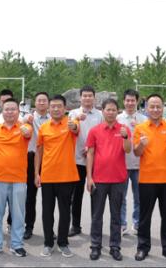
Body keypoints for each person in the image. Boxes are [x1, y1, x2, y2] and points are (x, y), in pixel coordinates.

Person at [133, 94, 166, 262]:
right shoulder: (140, 128)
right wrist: (141, 145)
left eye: (158, 106)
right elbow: (136, 153)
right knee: (144, 216)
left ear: (163, 108)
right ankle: (142, 247)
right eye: (152, 106)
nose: (155, 109)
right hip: (147, 179)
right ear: (146, 108)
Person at [0, 98, 33, 257]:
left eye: (13, 109)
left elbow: (28, 132)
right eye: (7, 109)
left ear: (18, 111)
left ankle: (17, 244)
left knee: (18, 214)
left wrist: (26, 128)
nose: (10, 112)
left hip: (18, 178)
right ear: (2, 111)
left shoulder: (24, 127)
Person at [86, 99, 131, 261]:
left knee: (116, 216)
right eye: (108, 109)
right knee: (96, 215)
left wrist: (125, 137)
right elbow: (90, 154)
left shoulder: (124, 129)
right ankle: (95, 246)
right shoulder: (95, 130)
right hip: (99, 179)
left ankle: (115, 246)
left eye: (113, 110)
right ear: (103, 111)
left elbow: (128, 150)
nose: (111, 112)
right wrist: (89, 177)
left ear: (117, 111)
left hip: (118, 179)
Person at [35, 94, 79, 258]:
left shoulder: (71, 123)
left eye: (59, 106)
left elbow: (76, 129)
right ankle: (48, 243)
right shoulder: (43, 127)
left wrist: (74, 126)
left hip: (66, 176)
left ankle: (63, 242)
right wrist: (36, 173)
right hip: (47, 176)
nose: (55, 109)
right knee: (47, 212)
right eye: (53, 106)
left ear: (65, 108)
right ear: (49, 108)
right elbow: (39, 151)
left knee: (65, 212)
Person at [67, 85, 103, 237]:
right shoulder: (74, 113)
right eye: (85, 96)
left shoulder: (100, 115)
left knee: (97, 194)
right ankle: (75, 225)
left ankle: (96, 226)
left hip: (96, 159)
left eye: (90, 96)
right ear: (80, 98)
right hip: (77, 159)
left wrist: (91, 148)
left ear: (94, 98)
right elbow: (71, 130)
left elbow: (103, 135)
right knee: (76, 195)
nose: (87, 98)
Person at [116, 88, 146, 236]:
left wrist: (139, 127)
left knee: (139, 197)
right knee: (121, 197)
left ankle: (138, 223)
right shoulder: (117, 119)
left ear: (137, 101)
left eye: (132, 100)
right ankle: (122, 224)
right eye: (127, 100)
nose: (130, 103)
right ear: (123, 101)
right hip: (121, 163)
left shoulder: (143, 119)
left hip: (140, 164)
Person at [23, 92, 51, 240]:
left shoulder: (53, 119)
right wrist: (25, 120)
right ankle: (29, 226)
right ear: (35, 102)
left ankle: (49, 229)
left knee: (49, 197)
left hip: (49, 159)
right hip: (32, 157)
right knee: (30, 196)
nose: (41, 103)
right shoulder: (28, 118)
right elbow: (20, 124)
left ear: (48, 103)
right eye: (39, 100)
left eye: (44, 100)